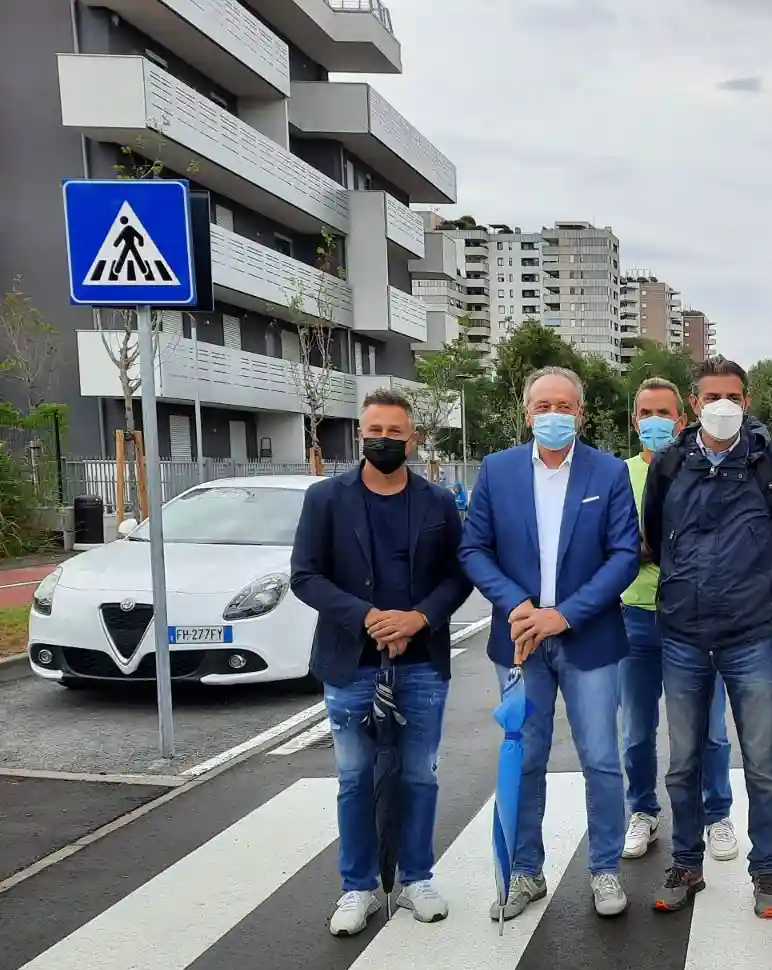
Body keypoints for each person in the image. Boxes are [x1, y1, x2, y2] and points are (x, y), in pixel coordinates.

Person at [459, 366, 640, 919]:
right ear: (526, 412)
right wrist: (518, 605)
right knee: (525, 756)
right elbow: (474, 549)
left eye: (564, 406)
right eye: (543, 406)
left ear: (580, 415)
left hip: (586, 637)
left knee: (602, 760)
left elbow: (624, 556)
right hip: (519, 639)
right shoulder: (497, 471)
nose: (553, 415)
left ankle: (605, 870)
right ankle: (524, 871)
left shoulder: (607, 474)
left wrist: (563, 615)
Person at [290, 389, 472, 937]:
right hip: (352, 660)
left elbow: (459, 575)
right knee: (354, 777)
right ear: (360, 435)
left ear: (412, 439)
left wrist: (419, 618)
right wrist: (368, 616)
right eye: (376, 431)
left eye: (396, 432)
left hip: (420, 661)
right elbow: (305, 575)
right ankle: (359, 887)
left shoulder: (438, 502)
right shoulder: (326, 499)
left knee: (419, 774)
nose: (385, 441)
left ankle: (416, 877)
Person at [641, 355, 772, 918]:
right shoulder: (669, 465)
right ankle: (687, 864)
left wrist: (759, 593)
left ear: (747, 400)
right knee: (682, 761)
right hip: (684, 635)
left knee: (762, 760)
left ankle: (766, 870)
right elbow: (655, 535)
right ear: (694, 403)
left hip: (750, 636)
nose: (721, 406)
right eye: (711, 396)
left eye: (732, 397)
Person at [619, 378, 738, 862]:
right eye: (645, 413)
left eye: (663, 413)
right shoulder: (616, 476)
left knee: (709, 728)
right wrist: (661, 550)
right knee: (637, 728)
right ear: (634, 421)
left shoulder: (698, 467)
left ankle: (718, 815)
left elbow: (710, 542)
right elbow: (619, 545)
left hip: (694, 620)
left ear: (682, 419)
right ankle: (642, 811)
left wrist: (661, 550)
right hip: (636, 617)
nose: (655, 422)